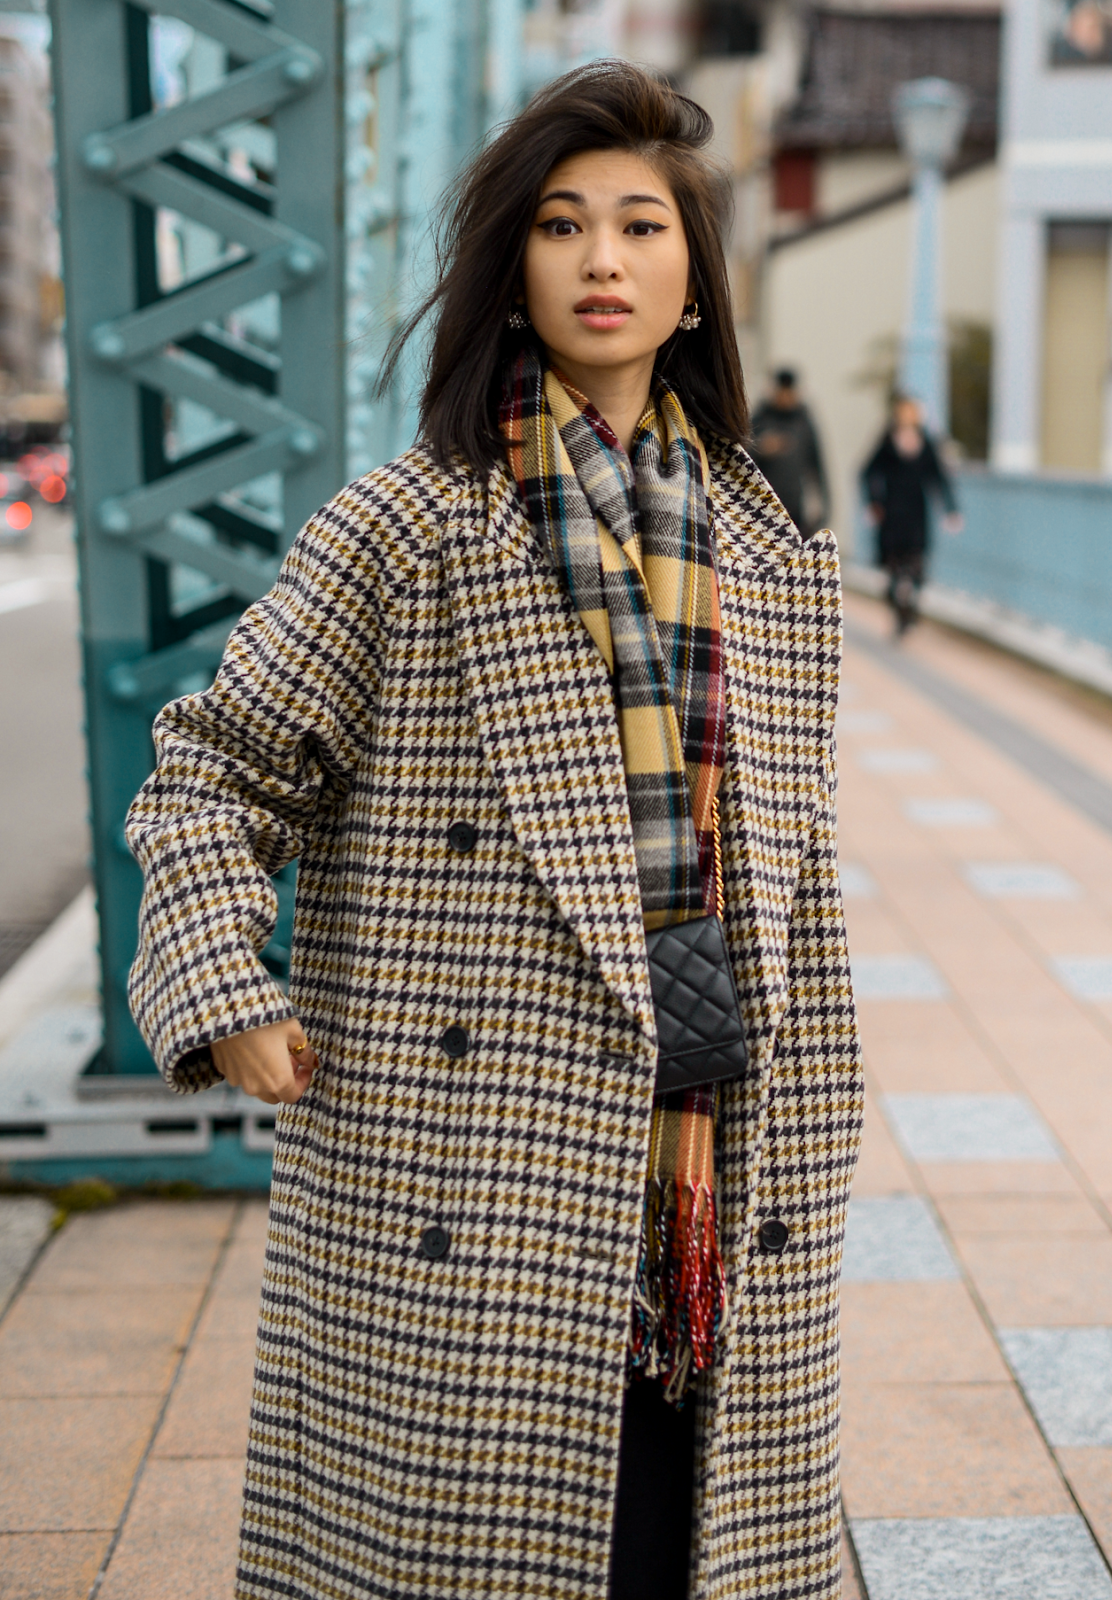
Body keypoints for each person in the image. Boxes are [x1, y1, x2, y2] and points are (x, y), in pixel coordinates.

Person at [125, 62, 862, 1600]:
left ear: (695, 280)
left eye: (643, 228)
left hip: (717, 1147)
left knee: (678, 1542)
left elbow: (788, 863)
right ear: (509, 273)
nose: (605, 261)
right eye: (562, 226)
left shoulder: (772, 552)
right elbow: (212, 767)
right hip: (476, 1163)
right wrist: (225, 987)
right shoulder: (408, 528)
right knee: (485, 1546)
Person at [860, 392, 963, 636]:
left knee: (917, 566)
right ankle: (899, 608)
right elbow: (868, 472)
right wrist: (874, 501)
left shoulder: (926, 442)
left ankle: (911, 606)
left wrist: (951, 509)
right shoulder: (887, 441)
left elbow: (939, 477)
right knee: (893, 567)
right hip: (892, 512)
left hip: (917, 513)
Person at [748, 368, 829, 536]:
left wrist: (824, 505)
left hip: (795, 507)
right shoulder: (761, 418)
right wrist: (762, 448)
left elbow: (817, 464)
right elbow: (742, 455)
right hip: (762, 505)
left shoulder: (803, 421)